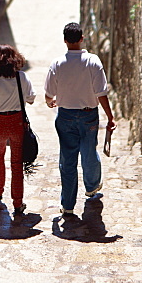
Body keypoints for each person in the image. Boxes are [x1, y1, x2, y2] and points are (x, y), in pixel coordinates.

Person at [44, 22, 116, 217]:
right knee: (89, 152)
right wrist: (110, 116)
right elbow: (101, 93)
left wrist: (51, 101)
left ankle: (67, 204)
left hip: (65, 116)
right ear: (82, 39)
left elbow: (49, 94)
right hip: (88, 115)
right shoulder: (93, 61)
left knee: (67, 160)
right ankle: (92, 188)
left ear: (65, 40)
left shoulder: (57, 64)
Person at [0, 44, 36, 216]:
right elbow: (31, 99)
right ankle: (18, 203)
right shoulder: (21, 78)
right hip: (17, 122)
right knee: (17, 163)